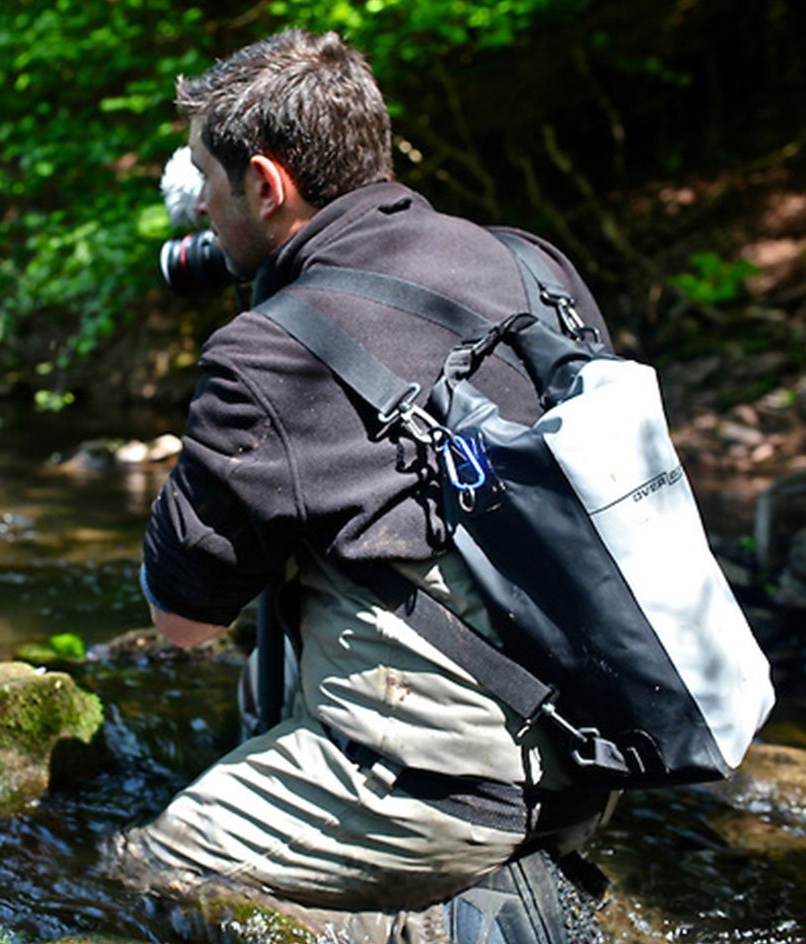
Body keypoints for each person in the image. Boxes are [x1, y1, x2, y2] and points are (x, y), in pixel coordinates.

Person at [109, 28, 614, 941]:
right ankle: (525, 860)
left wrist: (221, 436)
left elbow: (181, 622)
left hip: (450, 793)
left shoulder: (272, 350)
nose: (206, 216)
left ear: (265, 185)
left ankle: (443, 928)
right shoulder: (532, 266)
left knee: (149, 874)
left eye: (208, 183)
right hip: (601, 746)